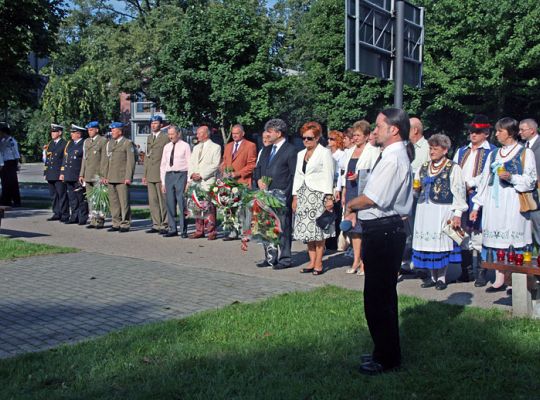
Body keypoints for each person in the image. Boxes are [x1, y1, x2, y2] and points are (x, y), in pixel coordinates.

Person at [344, 108, 413, 375]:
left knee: (378, 298)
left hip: (384, 229)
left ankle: (386, 358)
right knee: (380, 296)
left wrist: (350, 204)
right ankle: (383, 350)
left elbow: (372, 198)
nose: (375, 130)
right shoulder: (392, 155)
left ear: (394, 129)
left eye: (379, 126)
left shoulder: (393, 159)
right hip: (383, 229)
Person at [471, 117, 536, 292]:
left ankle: (514, 279)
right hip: (494, 203)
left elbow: (531, 180)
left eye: (500, 131)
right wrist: (477, 206)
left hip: (513, 202)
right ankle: (499, 278)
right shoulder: (493, 154)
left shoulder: (524, 153)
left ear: (510, 133)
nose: (497, 134)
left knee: (512, 242)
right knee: (496, 241)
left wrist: (512, 177)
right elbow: (485, 180)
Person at [412, 134, 468, 290]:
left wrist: (457, 214)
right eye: (430, 148)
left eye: (435, 149)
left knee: (441, 244)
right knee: (428, 244)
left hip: (442, 209)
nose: (431, 151)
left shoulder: (453, 167)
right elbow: (416, 189)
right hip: (424, 209)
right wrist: (416, 189)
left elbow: (459, 192)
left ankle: (442, 277)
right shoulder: (423, 167)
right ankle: (431, 276)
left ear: (445, 150)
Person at [453, 115, 496, 284]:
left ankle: (481, 272)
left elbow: (487, 175)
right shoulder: (461, 150)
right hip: (461, 195)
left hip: (479, 195)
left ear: (486, 133)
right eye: (471, 131)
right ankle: (466, 271)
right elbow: (455, 170)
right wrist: (459, 186)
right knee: (462, 233)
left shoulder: (491, 151)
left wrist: (470, 183)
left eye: (477, 132)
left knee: (478, 234)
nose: (473, 135)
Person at [292, 122, 335, 275]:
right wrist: (295, 197)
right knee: (307, 231)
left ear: (317, 138)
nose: (306, 141)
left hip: (318, 195)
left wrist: (329, 197)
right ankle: (311, 261)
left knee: (319, 231)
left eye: (309, 138)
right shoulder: (300, 154)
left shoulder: (324, 153)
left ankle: (318, 262)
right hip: (304, 195)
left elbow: (329, 175)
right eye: (304, 138)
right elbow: (298, 176)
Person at [256, 118, 297, 269]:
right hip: (265, 196)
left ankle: (285, 258)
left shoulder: (291, 150)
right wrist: (258, 180)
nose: (267, 134)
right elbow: (258, 169)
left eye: (270, 131)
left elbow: (293, 175)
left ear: (279, 133)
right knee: (266, 227)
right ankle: (270, 257)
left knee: (283, 227)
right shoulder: (266, 149)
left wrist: (287, 196)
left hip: (281, 196)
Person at [341, 120, 380, 275]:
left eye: (358, 135)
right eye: (354, 135)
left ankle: (365, 261)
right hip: (351, 189)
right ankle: (356, 259)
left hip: (363, 191)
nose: (355, 138)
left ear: (366, 136)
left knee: (363, 227)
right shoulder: (349, 151)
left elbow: (375, 173)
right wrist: (344, 192)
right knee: (353, 230)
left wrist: (361, 175)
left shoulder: (373, 151)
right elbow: (344, 172)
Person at [220, 124, 257, 240]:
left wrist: (237, 173)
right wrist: (223, 171)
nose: (234, 135)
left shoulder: (250, 146)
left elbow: (252, 165)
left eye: (237, 133)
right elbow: (225, 162)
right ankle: (232, 232)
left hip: (243, 181)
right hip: (229, 183)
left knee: (244, 210)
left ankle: (245, 233)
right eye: (233, 133)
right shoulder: (228, 146)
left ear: (243, 133)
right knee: (230, 208)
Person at [187, 125, 221, 240]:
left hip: (206, 181)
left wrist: (201, 175)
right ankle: (199, 230)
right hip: (195, 182)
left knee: (209, 207)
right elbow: (191, 163)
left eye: (199, 133)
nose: (197, 135)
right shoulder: (196, 147)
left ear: (206, 134)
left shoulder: (215, 147)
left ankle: (211, 231)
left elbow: (215, 165)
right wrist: (192, 174)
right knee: (196, 206)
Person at [102, 122, 136, 232]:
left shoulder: (127, 143)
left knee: (124, 202)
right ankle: (115, 223)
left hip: (122, 178)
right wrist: (105, 176)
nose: (112, 132)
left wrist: (128, 177)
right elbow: (107, 161)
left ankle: (125, 224)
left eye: (114, 130)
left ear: (120, 131)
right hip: (111, 177)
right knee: (114, 202)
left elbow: (130, 162)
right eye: (111, 130)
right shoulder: (110, 143)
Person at [160, 125, 191, 238]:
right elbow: (163, 165)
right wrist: (163, 182)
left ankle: (183, 230)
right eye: (169, 134)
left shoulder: (185, 146)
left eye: (172, 134)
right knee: (170, 203)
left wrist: (188, 181)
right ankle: (172, 228)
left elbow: (189, 163)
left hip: (181, 175)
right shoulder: (167, 147)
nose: (170, 136)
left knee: (182, 203)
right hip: (169, 176)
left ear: (178, 134)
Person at [143, 115, 169, 235]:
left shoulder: (165, 137)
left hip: (161, 173)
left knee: (162, 200)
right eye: (152, 123)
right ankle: (156, 224)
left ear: (161, 125)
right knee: (153, 201)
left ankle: (165, 224)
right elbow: (147, 158)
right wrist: (145, 174)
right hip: (151, 173)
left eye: (156, 123)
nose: (153, 125)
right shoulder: (149, 137)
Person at [80, 121, 108, 229]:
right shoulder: (86, 142)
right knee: (91, 199)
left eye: (91, 130)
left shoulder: (103, 141)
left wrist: (103, 175)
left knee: (99, 199)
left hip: (98, 175)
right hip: (88, 174)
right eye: (88, 130)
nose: (89, 132)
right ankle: (92, 219)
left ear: (97, 130)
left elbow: (104, 160)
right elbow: (84, 159)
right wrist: (81, 174)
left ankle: (100, 220)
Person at [60, 125, 89, 225]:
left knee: (81, 198)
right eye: (71, 132)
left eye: (73, 132)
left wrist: (83, 174)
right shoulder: (70, 144)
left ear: (79, 134)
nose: (71, 134)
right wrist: (62, 172)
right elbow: (65, 159)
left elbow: (85, 161)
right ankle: (74, 216)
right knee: (72, 198)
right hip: (69, 174)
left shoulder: (84, 143)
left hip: (78, 175)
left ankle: (82, 217)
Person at [519, 118, 540, 246]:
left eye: (522, 130)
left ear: (532, 130)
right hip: (524, 193)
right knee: (526, 225)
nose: (519, 132)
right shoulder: (520, 147)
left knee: (538, 225)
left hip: (538, 191)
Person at [44, 124, 69, 222]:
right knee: (53, 195)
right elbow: (47, 159)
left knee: (62, 195)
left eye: (54, 132)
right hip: (50, 173)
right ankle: (56, 212)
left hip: (59, 173)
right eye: (52, 132)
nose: (52, 133)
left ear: (60, 133)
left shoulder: (64, 144)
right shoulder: (50, 144)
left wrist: (62, 172)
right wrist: (46, 171)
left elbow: (65, 159)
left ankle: (65, 214)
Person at [326, 130, 346, 251]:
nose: (329, 141)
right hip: (328, 185)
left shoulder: (341, 155)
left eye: (332, 139)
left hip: (336, 186)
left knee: (336, 214)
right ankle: (328, 240)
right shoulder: (327, 153)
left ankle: (334, 241)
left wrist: (338, 188)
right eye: (329, 139)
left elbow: (340, 173)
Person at [0, 124, 21, 207]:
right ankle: (6, 200)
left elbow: (16, 153)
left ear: (4, 133)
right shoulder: (2, 141)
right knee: (5, 182)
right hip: (4, 163)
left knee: (13, 182)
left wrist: (16, 163)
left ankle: (17, 201)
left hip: (11, 162)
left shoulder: (12, 141)